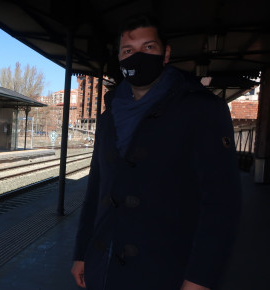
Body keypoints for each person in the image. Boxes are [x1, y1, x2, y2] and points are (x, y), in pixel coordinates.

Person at [71, 15, 241, 290]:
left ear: (166, 54)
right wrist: (82, 253)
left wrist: (201, 278)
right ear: (120, 58)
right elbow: (96, 189)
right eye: (128, 51)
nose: (137, 57)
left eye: (148, 47)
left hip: (166, 272)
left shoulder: (203, 110)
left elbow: (222, 204)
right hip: (104, 268)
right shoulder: (108, 116)